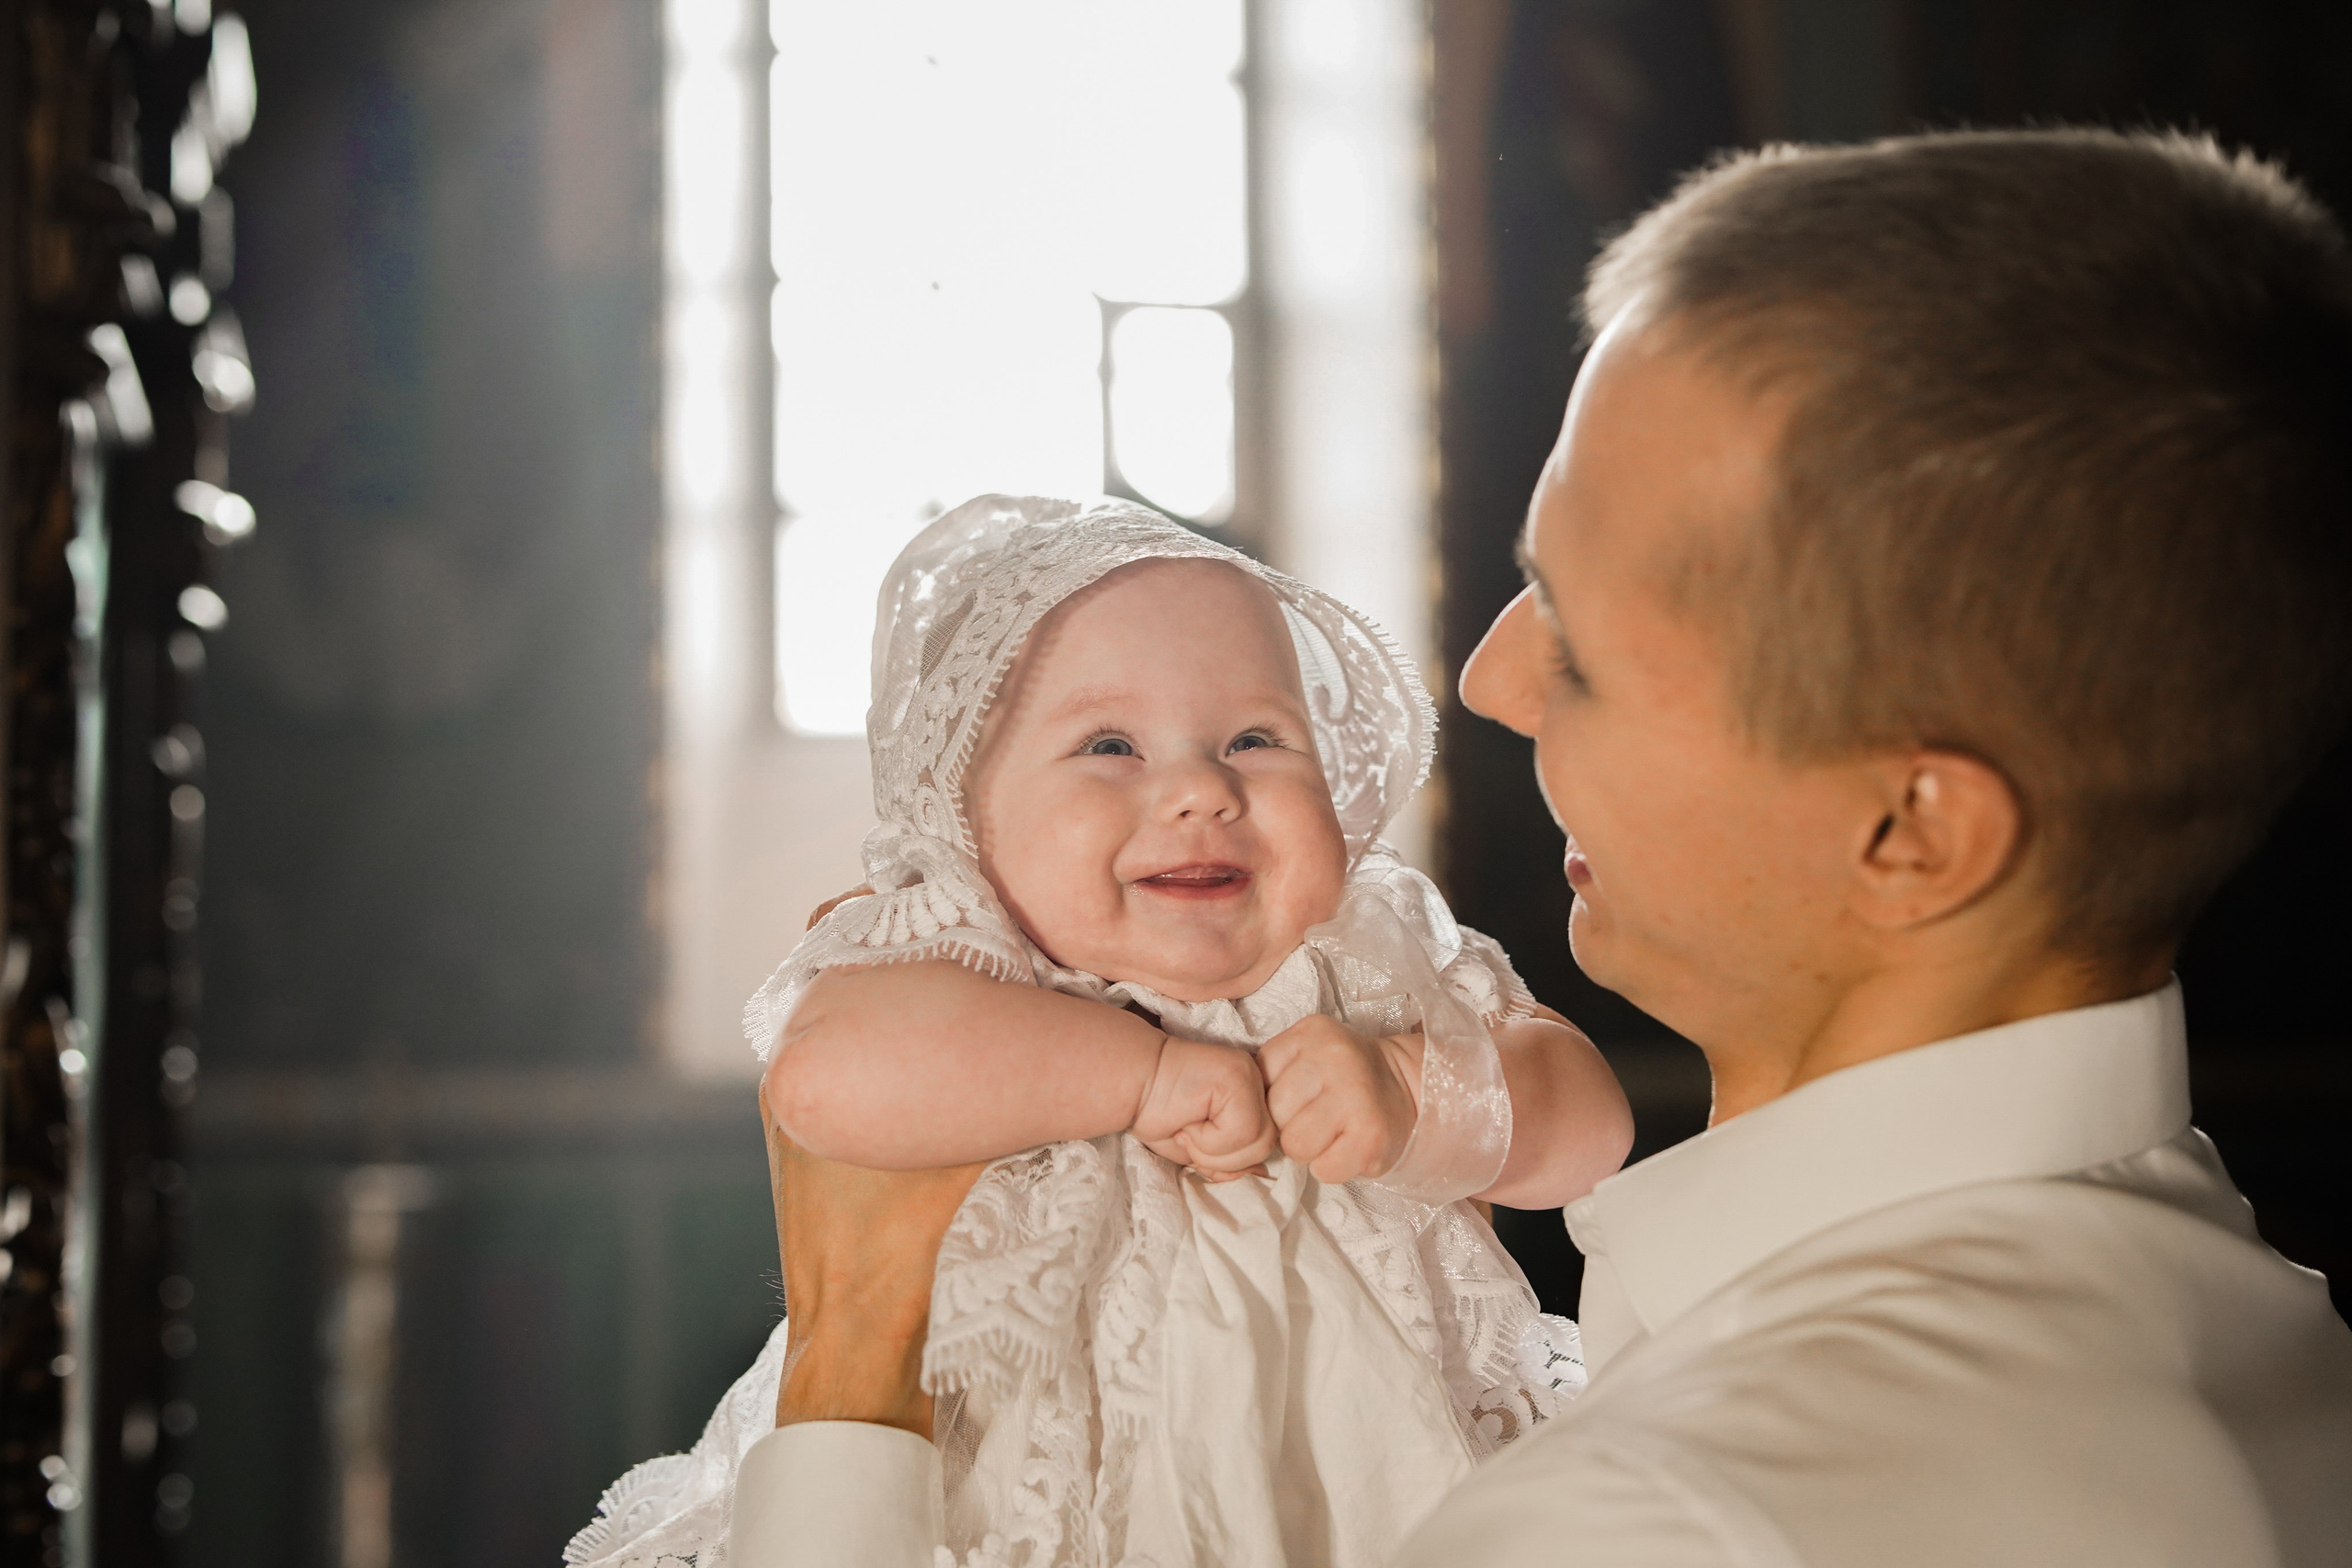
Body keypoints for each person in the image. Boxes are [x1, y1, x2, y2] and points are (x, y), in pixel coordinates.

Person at [726, 128, 2352, 1566]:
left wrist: (849, 1376)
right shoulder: (2264, 1328)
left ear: (1912, 829)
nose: (1487, 684)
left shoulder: (1654, 1521)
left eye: (1579, 636)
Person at [567, 496, 1634, 1568]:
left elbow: (1586, 1125)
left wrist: (1415, 1095)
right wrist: (1144, 1076)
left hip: (1388, 1500)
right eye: (1109, 745)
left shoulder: (1371, 949)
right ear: (967, 813)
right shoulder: (966, 946)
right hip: (1042, 1508)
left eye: (1257, 738)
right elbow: (821, 1078)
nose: (1200, 790)